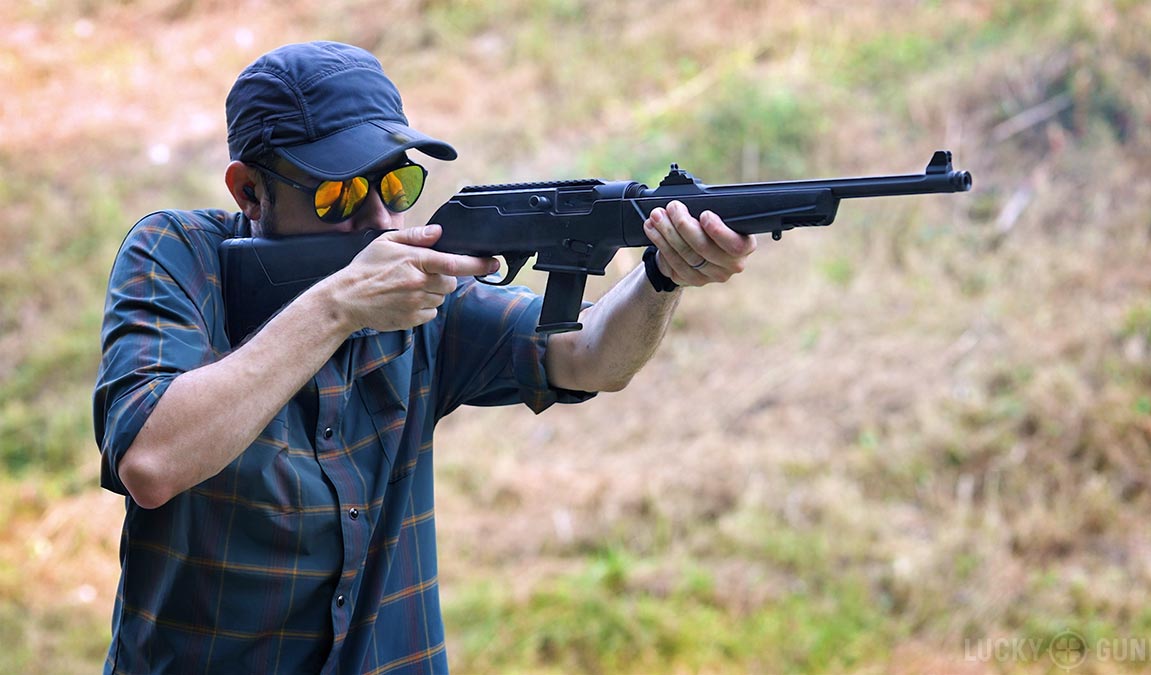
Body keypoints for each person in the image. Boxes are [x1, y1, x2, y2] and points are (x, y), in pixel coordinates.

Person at [93, 41, 756, 674]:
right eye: (337, 195)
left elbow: (589, 356)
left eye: (395, 184)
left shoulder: (414, 289)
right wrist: (336, 308)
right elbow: (152, 460)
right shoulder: (178, 255)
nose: (379, 221)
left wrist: (662, 275)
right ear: (249, 192)